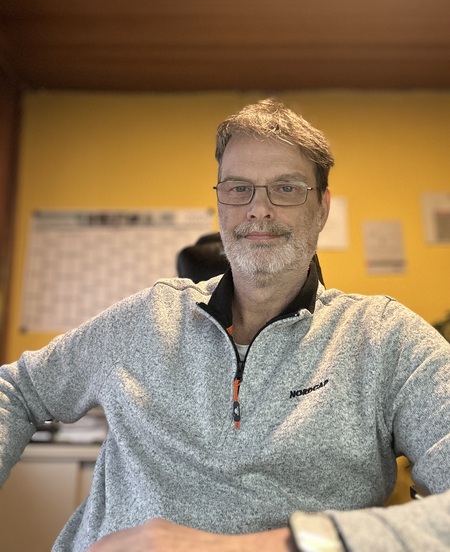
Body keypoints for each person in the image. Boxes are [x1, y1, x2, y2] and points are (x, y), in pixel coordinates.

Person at [1, 99, 450, 551]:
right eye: (239, 189)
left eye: (286, 188)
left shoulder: (385, 340)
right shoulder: (147, 317)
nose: (259, 209)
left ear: (322, 208)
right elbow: (17, 391)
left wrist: (243, 547)